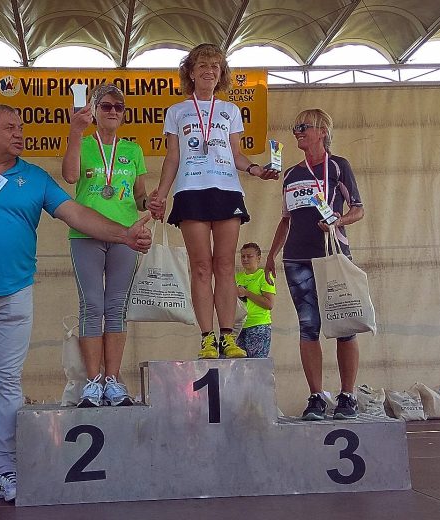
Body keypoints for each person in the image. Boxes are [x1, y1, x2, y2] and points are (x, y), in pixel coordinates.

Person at [0, 104, 151, 508]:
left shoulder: (36, 178)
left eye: (21, 127)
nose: (20, 133)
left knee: (8, 383)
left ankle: (5, 470)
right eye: (10, 127)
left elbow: (77, 214)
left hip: (14, 295)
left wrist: (124, 235)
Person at [148, 43, 278, 360]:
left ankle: (228, 336)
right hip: (190, 190)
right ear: (191, 72)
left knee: (225, 265)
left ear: (221, 74)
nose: (209, 70)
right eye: (203, 65)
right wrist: (161, 194)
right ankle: (207, 337)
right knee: (201, 267)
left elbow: (235, 154)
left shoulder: (229, 111)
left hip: (226, 190)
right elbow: (173, 156)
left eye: (215, 66)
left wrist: (255, 169)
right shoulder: (176, 111)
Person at [264, 108, 365, 421]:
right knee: (308, 326)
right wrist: (270, 255)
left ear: (323, 131)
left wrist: (337, 221)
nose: (297, 132)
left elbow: (358, 209)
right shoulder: (290, 174)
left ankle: (347, 395)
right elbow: (285, 219)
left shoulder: (338, 166)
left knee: (344, 325)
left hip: (333, 255)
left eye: (303, 126)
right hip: (297, 259)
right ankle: (317, 397)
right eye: (295, 127)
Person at [61, 84, 148, 407]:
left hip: (125, 235)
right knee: (92, 306)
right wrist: (75, 132)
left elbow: (140, 196)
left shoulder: (133, 150)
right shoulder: (83, 143)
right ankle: (92, 381)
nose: (113, 111)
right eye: (106, 106)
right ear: (94, 111)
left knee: (116, 307)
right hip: (86, 234)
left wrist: (151, 201)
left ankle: (112, 381)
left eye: (118, 107)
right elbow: (70, 177)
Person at [235, 242, 275, 358]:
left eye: (249, 256)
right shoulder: (237, 277)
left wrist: (247, 293)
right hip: (239, 326)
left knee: (257, 363)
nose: (245, 259)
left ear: (258, 258)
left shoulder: (264, 276)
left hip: (258, 325)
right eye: (243, 256)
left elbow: (269, 304)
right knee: (239, 364)